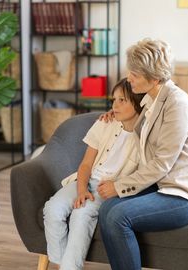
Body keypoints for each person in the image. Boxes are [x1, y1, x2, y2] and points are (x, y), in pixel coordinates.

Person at [97, 38, 188, 270]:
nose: (129, 79)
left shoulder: (178, 104)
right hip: (161, 185)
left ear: (155, 78)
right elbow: (139, 130)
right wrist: (115, 113)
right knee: (107, 208)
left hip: (182, 192)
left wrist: (119, 186)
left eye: (135, 75)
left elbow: (161, 163)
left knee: (118, 216)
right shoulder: (151, 98)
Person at [43, 78, 145, 270]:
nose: (115, 105)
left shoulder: (146, 136)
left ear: (138, 101)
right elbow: (86, 164)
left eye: (122, 100)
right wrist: (81, 190)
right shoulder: (105, 123)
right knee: (53, 209)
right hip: (85, 180)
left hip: (109, 190)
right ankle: (59, 265)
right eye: (113, 100)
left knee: (81, 216)